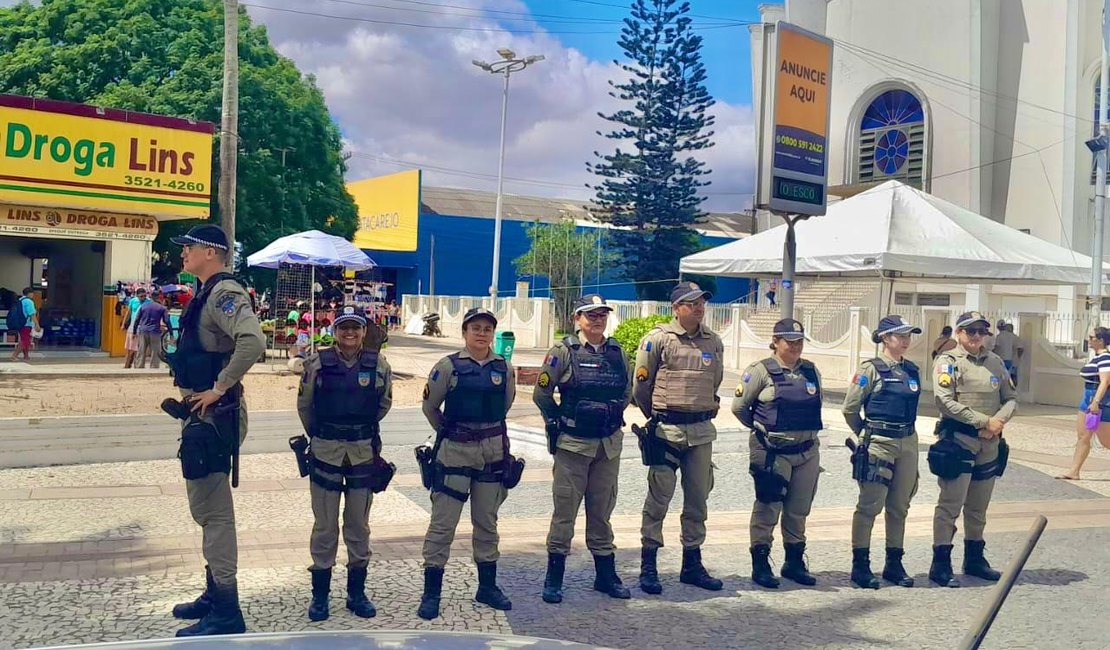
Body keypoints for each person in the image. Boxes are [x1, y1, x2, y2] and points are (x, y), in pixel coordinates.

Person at [166, 225, 265, 636]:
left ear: (210, 252)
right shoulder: (207, 293)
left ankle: (226, 610)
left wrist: (219, 386)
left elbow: (253, 341)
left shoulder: (224, 293)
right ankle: (213, 595)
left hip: (215, 417)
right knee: (205, 510)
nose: (183, 253)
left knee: (215, 515)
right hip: (203, 416)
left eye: (188, 247)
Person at [416, 307, 519, 620]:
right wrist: (452, 434)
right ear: (464, 332)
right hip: (454, 452)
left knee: (487, 522)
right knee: (443, 524)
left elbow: (506, 404)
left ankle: (487, 587)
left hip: (492, 452)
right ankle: (431, 593)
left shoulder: (505, 367)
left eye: (487, 328)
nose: (482, 333)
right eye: (475, 327)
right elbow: (430, 407)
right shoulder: (448, 366)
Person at [296, 305, 393, 621]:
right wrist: (323, 435)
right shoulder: (316, 363)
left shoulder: (378, 364)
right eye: (343, 327)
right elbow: (305, 405)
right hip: (325, 451)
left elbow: (384, 403)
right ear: (334, 331)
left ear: (364, 331)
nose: (349, 333)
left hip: (362, 452)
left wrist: (358, 429)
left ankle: (356, 594)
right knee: (324, 526)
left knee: (357, 525)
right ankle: (320, 597)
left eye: (355, 327)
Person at [534, 294, 632, 604]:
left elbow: (627, 391)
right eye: (590, 315)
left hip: (607, 446)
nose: (597, 319)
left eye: (602, 314)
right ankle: (554, 576)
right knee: (565, 512)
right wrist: (556, 423)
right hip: (573, 446)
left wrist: (607, 415)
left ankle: (605, 575)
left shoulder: (618, 353)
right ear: (578, 319)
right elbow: (542, 393)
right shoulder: (562, 352)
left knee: (602, 512)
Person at [632, 281, 724, 595]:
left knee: (698, 501)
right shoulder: (658, 339)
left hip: (700, 432)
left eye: (701, 302)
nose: (698, 308)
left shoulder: (713, 341)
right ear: (676, 308)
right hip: (666, 431)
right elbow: (641, 387)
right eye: (691, 303)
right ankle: (648, 565)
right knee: (658, 500)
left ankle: (692, 564)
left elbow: (716, 382)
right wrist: (657, 416)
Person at [929, 311, 1017, 588]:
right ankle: (940, 563)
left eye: (981, 331)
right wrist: (983, 421)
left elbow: (1011, 397)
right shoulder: (948, 362)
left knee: (979, 506)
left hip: (990, 443)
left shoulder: (995, 362)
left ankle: (975, 559)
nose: (977, 336)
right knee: (951, 504)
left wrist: (998, 422)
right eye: (971, 331)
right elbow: (944, 402)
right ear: (959, 333)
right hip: (960, 441)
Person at [732, 319, 823, 588]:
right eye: (789, 341)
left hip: (807, 451)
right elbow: (740, 407)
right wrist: (763, 431)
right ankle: (760, 563)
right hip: (774, 451)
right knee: (768, 507)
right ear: (775, 341)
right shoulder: (760, 371)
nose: (795, 346)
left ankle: (794, 562)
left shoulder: (810, 371)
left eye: (799, 341)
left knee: (798, 509)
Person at [840, 316, 923, 589]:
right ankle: (860, 565)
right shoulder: (870, 369)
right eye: (901, 335)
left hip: (908, 441)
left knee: (900, 506)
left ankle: (894, 563)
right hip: (879, 441)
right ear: (885, 338)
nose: (906, 340)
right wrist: (866, 433)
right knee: (870, 505)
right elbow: (850, 408)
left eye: (909, 335)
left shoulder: (912, 370)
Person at [1058, 327, 1110, 480]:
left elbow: (1105, 381)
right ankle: (1074, 471)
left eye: (1091, 337)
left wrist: (1096, 402)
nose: (1088, 339)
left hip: (1099, 402)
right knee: (1083, 436)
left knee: (1106, 440)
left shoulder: (1105, 358)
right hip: (1087, 400)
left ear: (1100, 340)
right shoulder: (1096, 358)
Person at [134, 290, 172, 369]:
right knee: (155, 351)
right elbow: (167, 321)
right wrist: (171, 333)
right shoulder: (162, 308)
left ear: (151, 297)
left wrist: (134, 331)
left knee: (141, 350)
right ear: (159, 297)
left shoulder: (143, 306)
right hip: (155, 331)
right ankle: (154, 367)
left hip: (143, 331)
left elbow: (137, 320)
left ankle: (139, 367)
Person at [7, 287, 38, 362]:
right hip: (26, 323)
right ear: (30, 293)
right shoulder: (29, 302)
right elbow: (32, 314)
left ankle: (26, 356)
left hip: (19, 323)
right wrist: (37, 324)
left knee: (25, 339)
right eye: (33, 293)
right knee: (25, 340)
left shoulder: (20, 300)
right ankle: (14, 355)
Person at [122, 287, 146, 368]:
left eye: (144, 296)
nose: (143, 298)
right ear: (137, 296)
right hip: (132, 326)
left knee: (139, 349)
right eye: (141, 296)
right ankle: (127, 364)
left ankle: (137, 365)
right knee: (130, 348)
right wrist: (123, 324)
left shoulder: (148, 302)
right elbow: (128, 313)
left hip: (142, 326)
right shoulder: (133, 301)